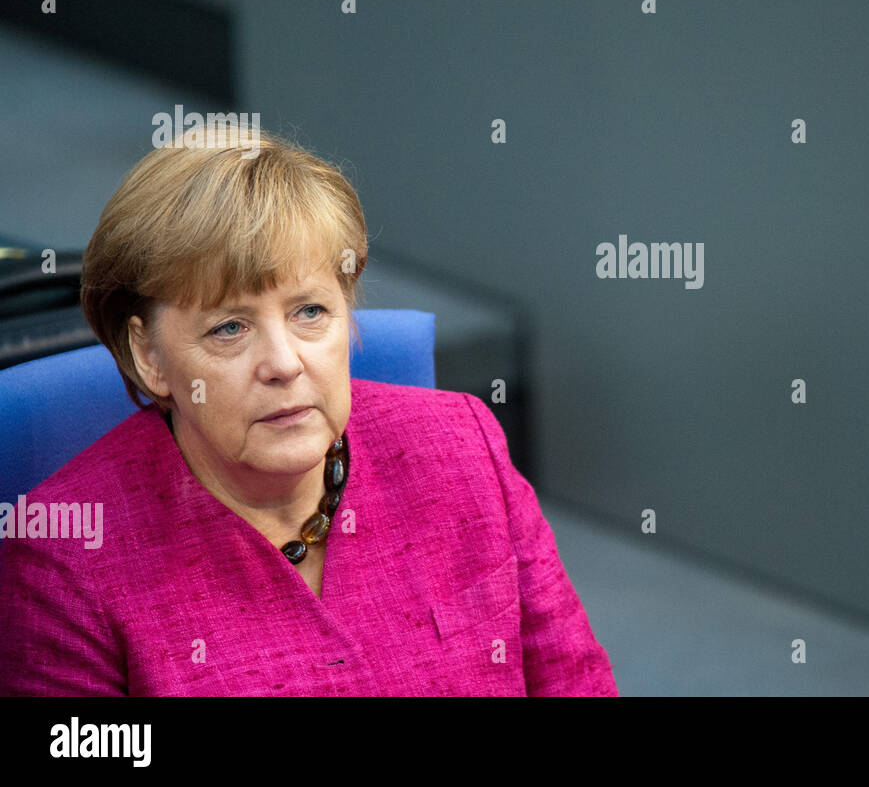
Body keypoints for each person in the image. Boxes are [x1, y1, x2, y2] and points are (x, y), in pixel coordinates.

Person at [0, 127, 618, 696]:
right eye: (230, 327)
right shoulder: (63, 564)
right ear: (149, 355)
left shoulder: (461, 447)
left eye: (310, 313)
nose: (284, 363)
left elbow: (575, 683)